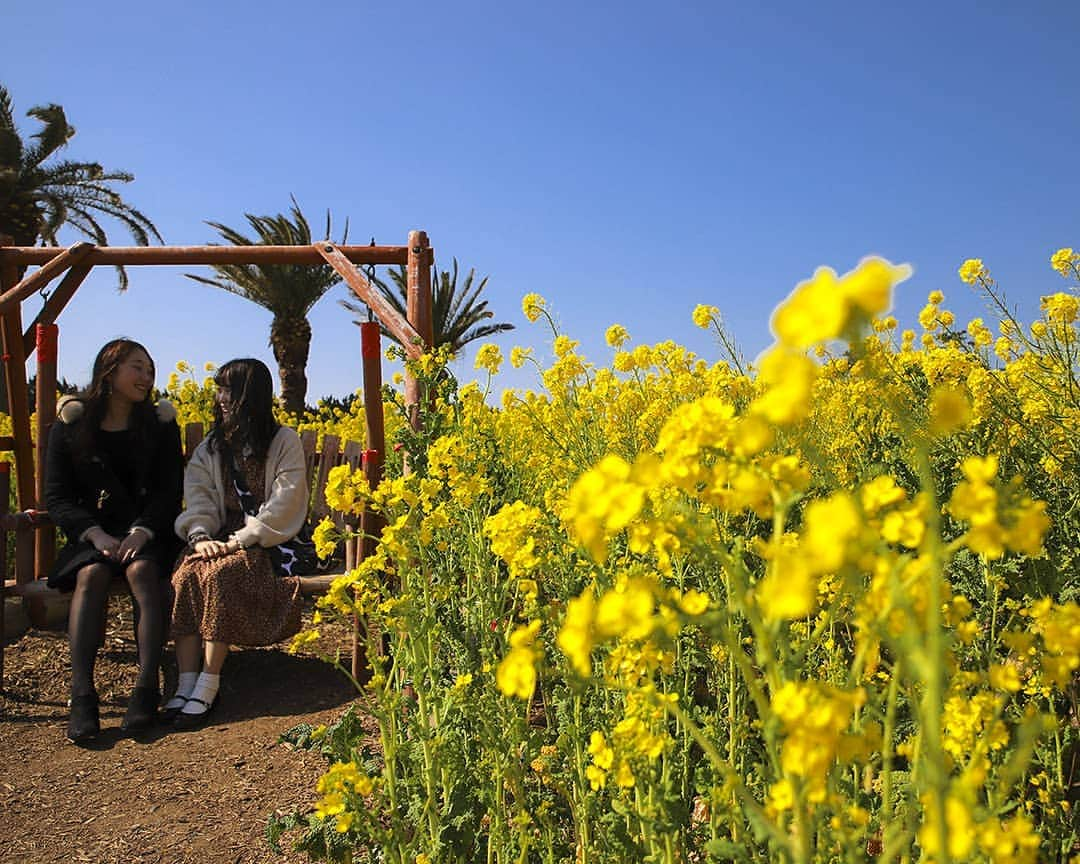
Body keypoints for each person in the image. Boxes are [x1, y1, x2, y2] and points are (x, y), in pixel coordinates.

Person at [45, 338, 184, 743]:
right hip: (93, 533)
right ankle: (82, 695)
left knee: (143, 571)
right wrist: (94, 533)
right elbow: (56, 496)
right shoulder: (71, 426)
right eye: (137, 367)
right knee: (91, 575)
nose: (146, 377)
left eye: (150, 369)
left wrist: (143, 529)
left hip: (147, 532)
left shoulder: (159, 425)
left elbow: (167, 490)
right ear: (110, 371)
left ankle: (146, 690)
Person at [168, 358, 308, 727]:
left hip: (264, 541)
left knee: (220, 576)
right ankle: (184, 681)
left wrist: (239, 541)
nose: (221, 397)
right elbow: (197, 497)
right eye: (219, 388)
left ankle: (209, 681)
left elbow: (285, 500)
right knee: (186, 575)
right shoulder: (213, 446)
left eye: (229, 389)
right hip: (213, 536)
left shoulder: (283, 440)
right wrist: (199, 538)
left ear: (251, 395)